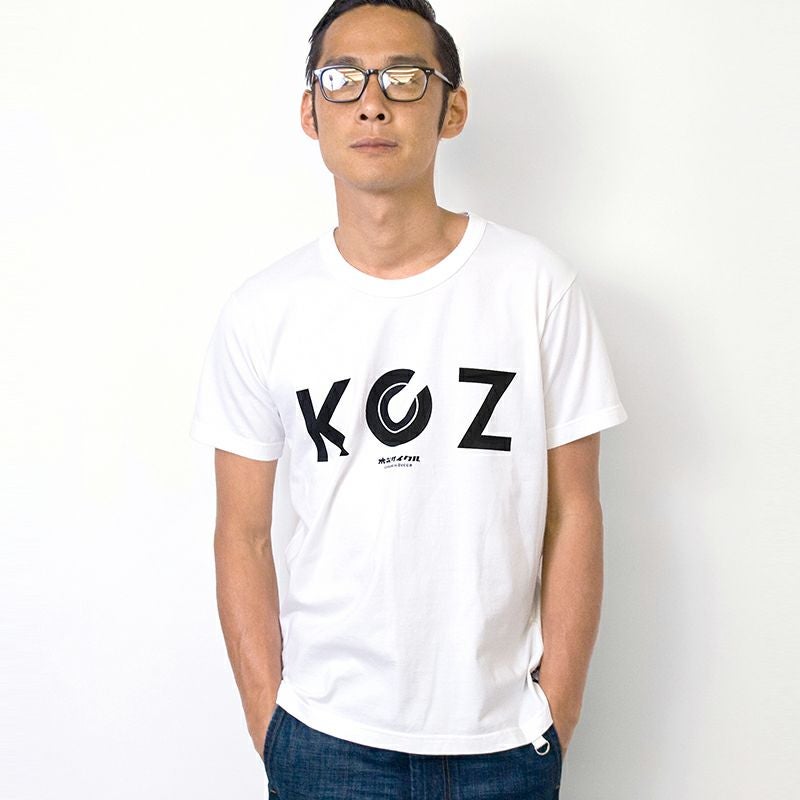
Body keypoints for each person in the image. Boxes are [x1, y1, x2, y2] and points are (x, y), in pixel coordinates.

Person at [189, 1, 628, 797]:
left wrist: (554, 714)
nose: (372, 102)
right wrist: (271, 724)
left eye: (404, 77)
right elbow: (241, 535)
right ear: (310, 111)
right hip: (325, 741)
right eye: (342, 78)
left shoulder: (535, 287)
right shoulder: (263, 312)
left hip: (506, 742)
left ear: (452, 109)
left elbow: (575, 512)